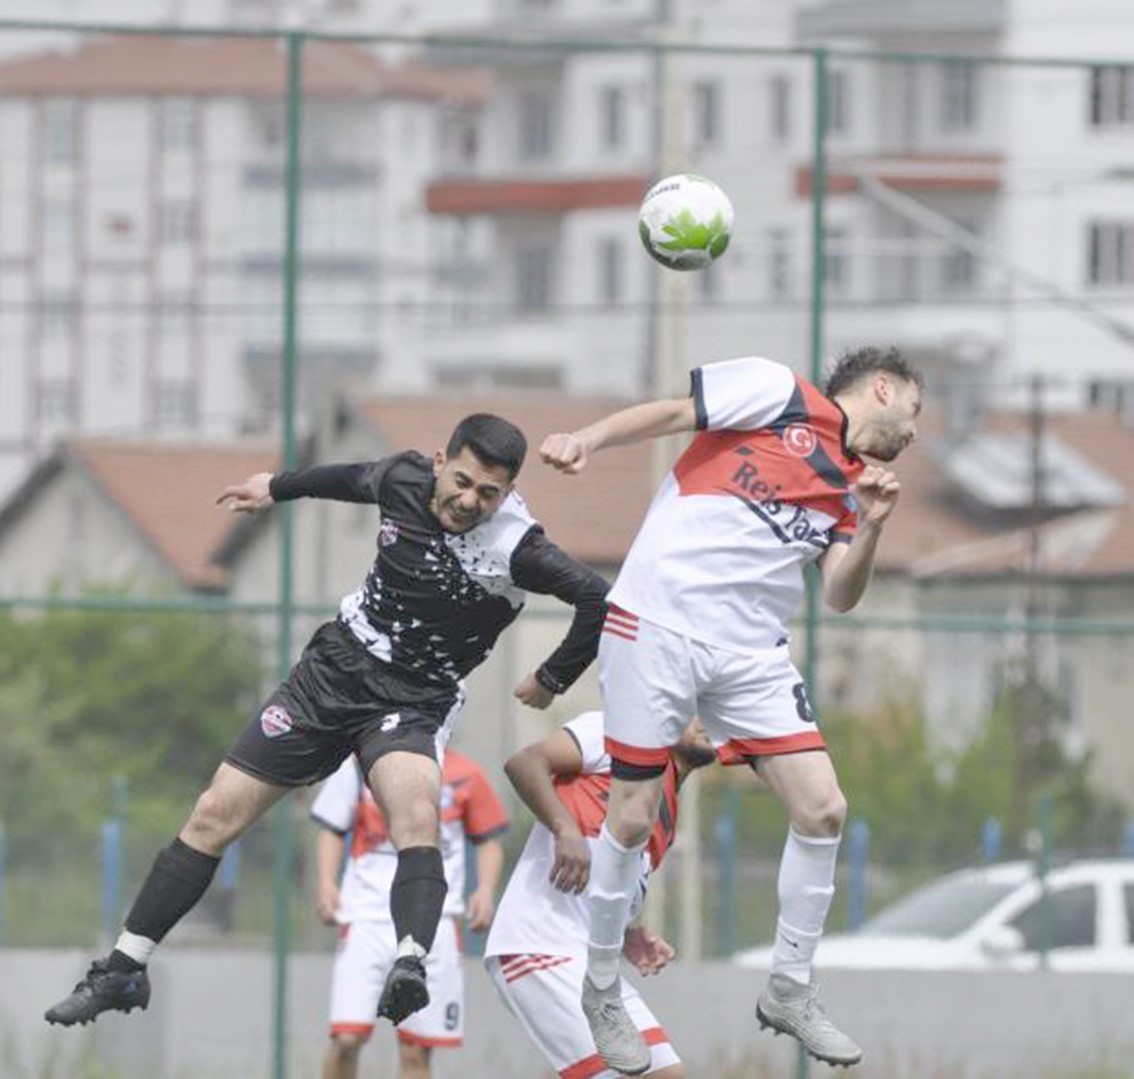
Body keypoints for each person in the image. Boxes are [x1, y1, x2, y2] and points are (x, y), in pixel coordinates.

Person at [45, 413, 609, 1029]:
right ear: (439, 462)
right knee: (213, 813)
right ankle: (124, 968)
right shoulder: (403, 478)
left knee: (416, 813)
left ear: (506, 495)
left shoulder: (516, 546)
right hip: (332, 673)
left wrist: (553, 676)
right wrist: (276, 486)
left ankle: (410, 964)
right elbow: (351, 477)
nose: (470, 501)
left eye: (489, 493)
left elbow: (592, 594)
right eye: (464, 481)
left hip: (413, 699)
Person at [539, 348, 922, 1072]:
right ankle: (599, 988)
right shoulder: (779, 391)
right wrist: (588, 438)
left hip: (748, 651)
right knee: (629, 815)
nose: (913, 430)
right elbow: (675, 413)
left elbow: (839, 593)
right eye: (915, 410)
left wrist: (871, 523)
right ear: (883, 387)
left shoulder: (854, 485)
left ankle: (789, 986)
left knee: (824, 807)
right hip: (656, 618)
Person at [485, 711, 717, 1079]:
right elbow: (524, 762)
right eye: (697, 707)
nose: (710, 720)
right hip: (540, 943)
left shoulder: (663, 812)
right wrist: (565, 828)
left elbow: (605, 883)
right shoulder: (617, 734)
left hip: (588, 966)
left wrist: (627, 930)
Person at [312, 748, 508, 1079]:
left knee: (416, 1049)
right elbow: (332, 827)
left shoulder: (465, 772)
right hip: (366, 918)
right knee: (346, 1038)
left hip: (433, 923)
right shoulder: (359, 764)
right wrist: (326, 884)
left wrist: (485, 890)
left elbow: (488, 838)